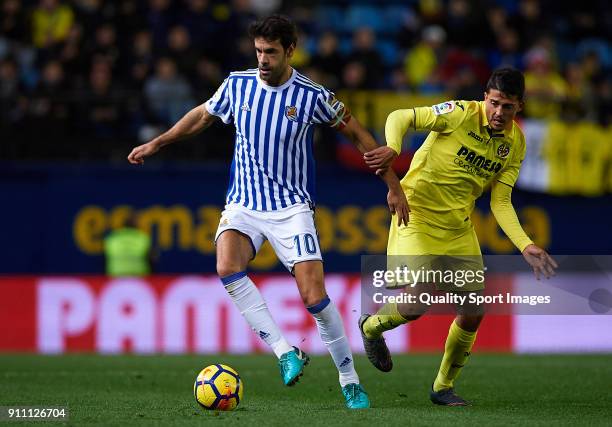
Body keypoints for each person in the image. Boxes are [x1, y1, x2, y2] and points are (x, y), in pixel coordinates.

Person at [128, 14, 409, 409]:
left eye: (271, 52)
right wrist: (159, 142)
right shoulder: (237, 85)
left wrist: (393, 186)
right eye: (258, 51)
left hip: (292, 208)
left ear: (290, 51)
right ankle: (285, 352)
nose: (263, 59)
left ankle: (349, 380)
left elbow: (358, 133)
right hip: (243, 202)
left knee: (314, 297)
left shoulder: (312, 96)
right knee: (227, 265)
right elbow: (202, 116)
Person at [359, 68, 558, 406]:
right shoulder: (458, 113)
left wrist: (526, 244)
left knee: (474, 309)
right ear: (485, 97)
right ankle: (370, 328)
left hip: (458, 227)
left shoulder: (515, 144)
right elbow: (400, 116)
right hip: (416, 214)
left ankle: (442, 387)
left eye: (507, 107)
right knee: (419, 301)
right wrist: (393, 147)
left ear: (519, 107)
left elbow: (500, 201)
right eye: (494, 103)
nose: (498, 112)